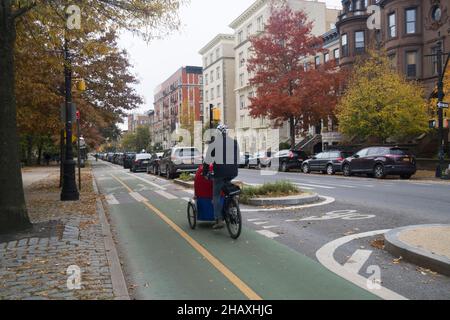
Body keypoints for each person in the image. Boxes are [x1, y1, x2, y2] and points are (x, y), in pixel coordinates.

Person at [203, 124, 240, 229]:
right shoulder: (234, 142)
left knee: (216, 196)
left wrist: (205, 173)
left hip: (219, 173)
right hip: (233, 172)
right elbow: (238, 158)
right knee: (229, 189)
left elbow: (207, 161)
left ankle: (219, 220)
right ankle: (233, 203)